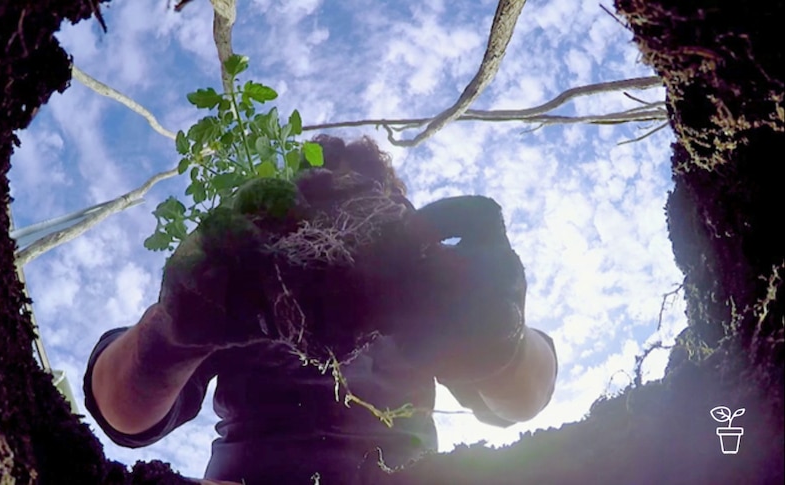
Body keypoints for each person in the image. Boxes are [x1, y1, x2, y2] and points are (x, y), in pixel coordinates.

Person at [84, 135, 558, 485]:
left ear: (393, 209)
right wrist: (170, 333)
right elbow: (121, 412)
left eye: (366, 187)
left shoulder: (425, 294)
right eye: (325, 175)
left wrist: (502, 341)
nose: (343, 185)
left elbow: (525, 397)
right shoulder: (245, 286)